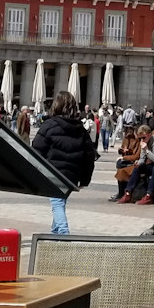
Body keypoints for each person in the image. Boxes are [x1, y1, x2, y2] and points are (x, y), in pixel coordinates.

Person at [32, 91, 96, 233]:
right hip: (72, 174)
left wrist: (36, 172)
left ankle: (63, 234)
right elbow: (89, 156)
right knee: (60, 202)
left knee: (57, 204)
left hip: (53, 173)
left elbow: (36, 150)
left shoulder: (49, 125)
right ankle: (54, 236)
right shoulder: (81, 129)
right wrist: (85, 179)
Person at [112, 126, 143, 201]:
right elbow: (123, 150)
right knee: (120, 164)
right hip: (128, 160)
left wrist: (125, 157)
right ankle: (121, 192)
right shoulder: (126, 139)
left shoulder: (139, 141)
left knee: (121, 169)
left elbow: (137, 156)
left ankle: (122, 193)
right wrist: (122, 151)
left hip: (135, 162)